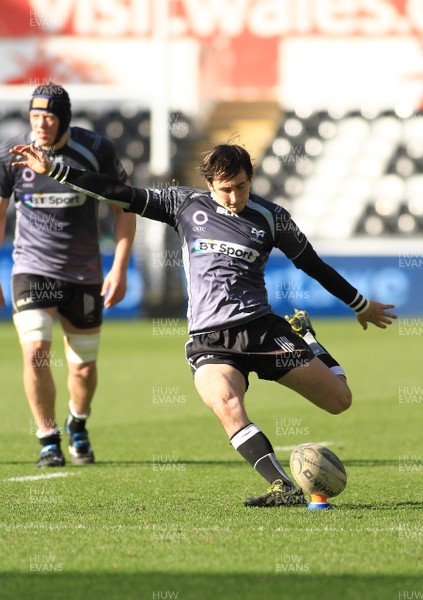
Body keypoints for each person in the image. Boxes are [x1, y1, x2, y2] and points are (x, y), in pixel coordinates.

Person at [9, 141, 396, 505]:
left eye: (241, 187)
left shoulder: (272, 218)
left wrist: (360, 305)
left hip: (261, 329)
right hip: (209, 341)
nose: (233, 197)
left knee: (339, 402)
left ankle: (307, 337)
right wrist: (58, 171)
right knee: (226, 404)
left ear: (250, 178)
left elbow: (313, 265)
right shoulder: (183, 205)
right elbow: (117, 193)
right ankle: (281, 486)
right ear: (209, 183)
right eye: (225, 189)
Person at [0, 85, 136, 468]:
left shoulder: (96, 151)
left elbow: (125, 208)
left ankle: (77, 421)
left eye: (49, 117)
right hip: (30, 269)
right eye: (34, 116)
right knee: (36, 351)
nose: (40, 125)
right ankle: (47, 438)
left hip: (83, 274)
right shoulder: (11, 155)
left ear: (65, 120)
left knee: (83, 367)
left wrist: (120, 267)